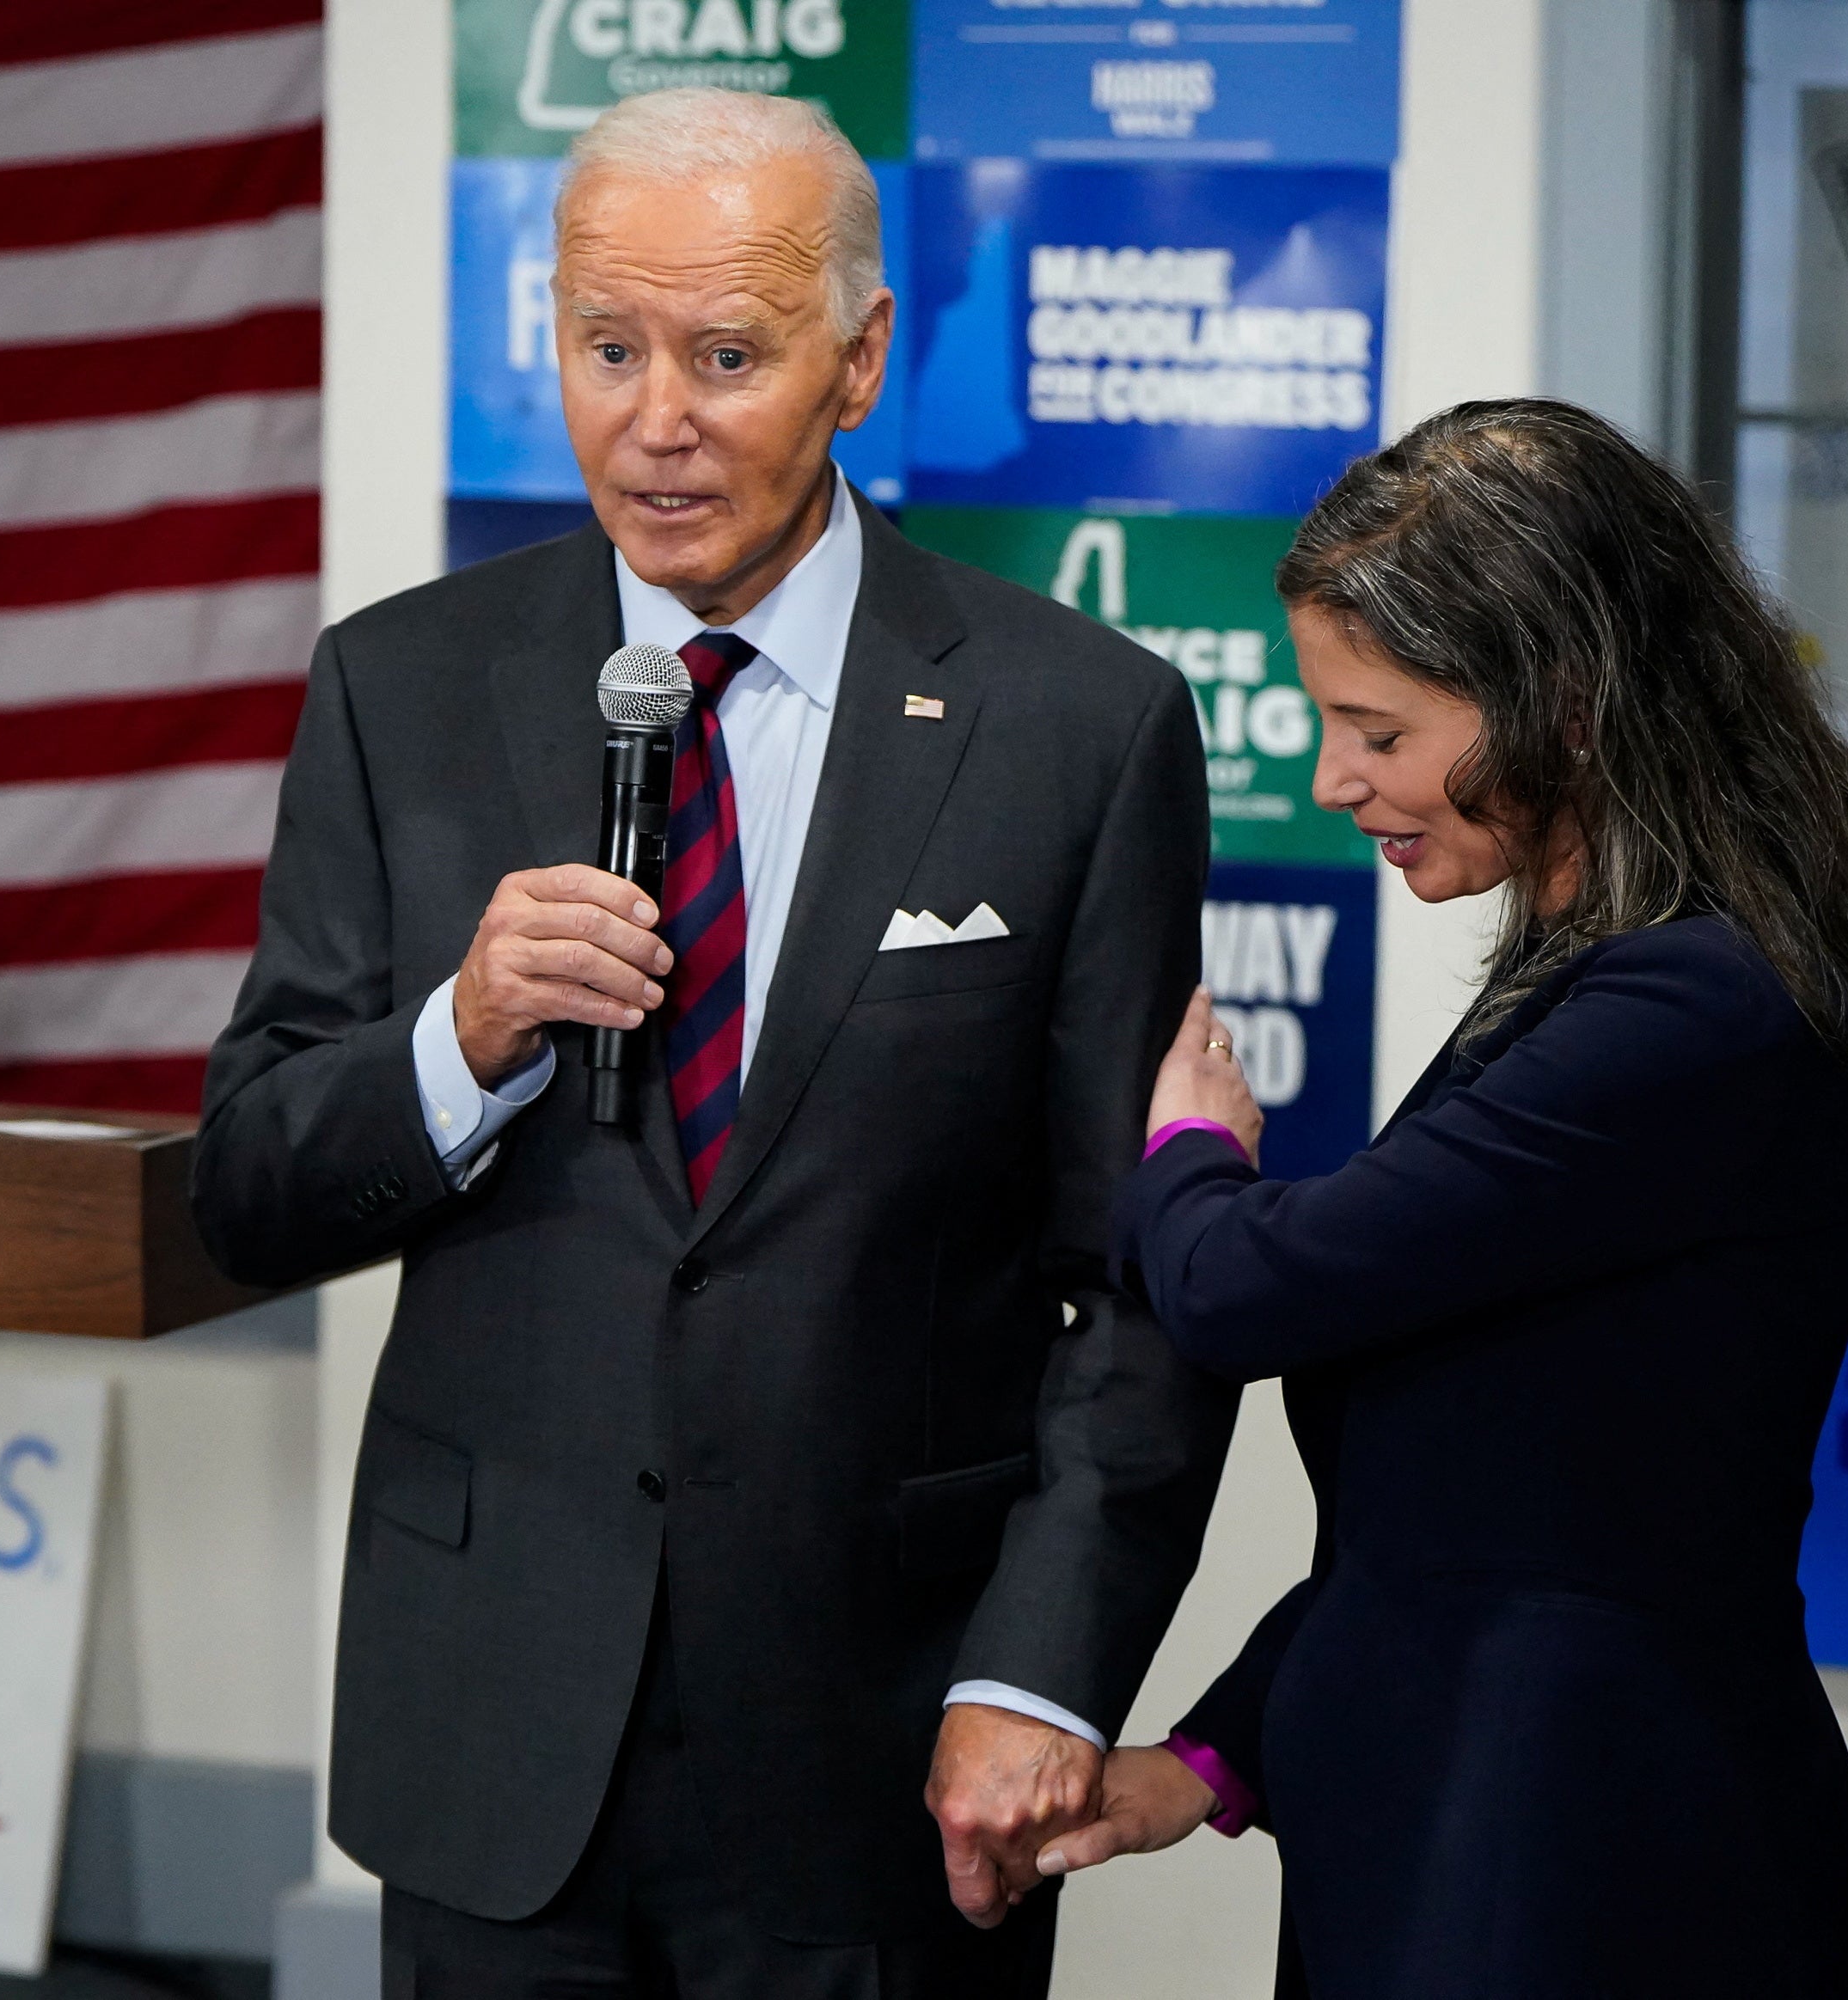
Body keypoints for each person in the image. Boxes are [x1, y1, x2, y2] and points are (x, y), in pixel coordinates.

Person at [192, 88, 1233, 1996]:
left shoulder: (1080, 726)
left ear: (860, 361)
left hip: (889, 1751)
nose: (654, 418)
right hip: (497, 1739)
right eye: (607, 348)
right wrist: (462, 1033)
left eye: (726, 355)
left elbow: (1147, 1278)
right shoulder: (399, 687)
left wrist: (1041, 1668)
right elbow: (254, 1177)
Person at [1039, 400, 1848, 1999]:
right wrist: (1227, 1753)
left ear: (1564, 704)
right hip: (1480, 1811)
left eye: (1381, 732)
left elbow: (1252, 1287)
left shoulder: (1697, 1010)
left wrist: (1186, 1150)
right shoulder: (1613, 977)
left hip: (1583, 1854)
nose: (1334, 780)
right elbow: (1477, 1486)